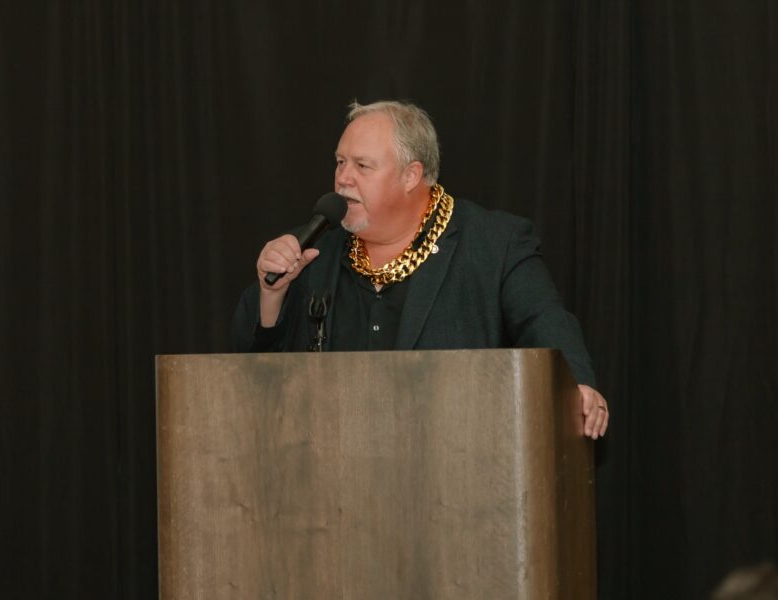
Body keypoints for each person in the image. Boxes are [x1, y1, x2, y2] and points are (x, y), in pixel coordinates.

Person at [231, 100, 609, 439]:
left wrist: (576, 386)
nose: (343, 178)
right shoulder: (316, 249)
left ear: (411, 176)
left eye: (362, 165)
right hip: (333, 472)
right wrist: (273, 293)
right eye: (340, 162)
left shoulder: (493, 243)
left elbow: (542, 318)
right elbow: (254, 368)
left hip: (454, 469)